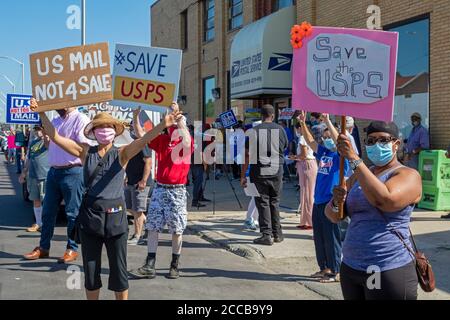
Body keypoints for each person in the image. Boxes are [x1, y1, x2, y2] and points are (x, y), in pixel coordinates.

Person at [31, 99, 181, 300]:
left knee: (119, 272)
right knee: (91, 273)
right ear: (93, 131)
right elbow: (56, 136)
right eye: (100, 126)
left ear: (115, 130)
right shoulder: (84, 152)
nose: (104, 129)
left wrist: (163, 125)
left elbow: (143, 141)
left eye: (108, 126)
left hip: (116, 221)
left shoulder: (122, 153)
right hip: (91, 219)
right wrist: (41, 113)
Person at [325, 121, 421, 300]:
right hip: (352, 266)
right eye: (371, 141)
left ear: (396, 144)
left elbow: (385, 200)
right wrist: (337, 202)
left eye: (383, 140)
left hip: (386, 267)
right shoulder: (360, 174)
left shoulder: (408, 175)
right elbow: (332, 216)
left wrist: (353, 158)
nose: (376, 145)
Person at [130, 102, 193, 280]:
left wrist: (179, 118)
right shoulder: (163, 140)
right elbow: (142, 136)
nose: (173, 126)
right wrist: (136, 116)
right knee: (153, 227)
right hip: (160, 189)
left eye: (177, 123)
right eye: (172, 124)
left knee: (177, 230)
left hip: (178, 191)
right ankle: (150, 264)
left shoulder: (186, 142)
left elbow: (187, 140)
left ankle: (174, 264)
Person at [23, 105, 91, 264]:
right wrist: (48, 142)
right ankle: (44, 248)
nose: (58, 105)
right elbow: (50, 147)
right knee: (48, 212)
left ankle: (72, 248)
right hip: (54, 171)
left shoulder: (80, 119)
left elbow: (84, 149)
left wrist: (56, 138)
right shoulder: (55, 120)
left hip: (73, 171)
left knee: (72, 213)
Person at [298, 111, 350, 283]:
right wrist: (302, 123)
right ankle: (324, 268)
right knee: (319, 238)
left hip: (331, 201)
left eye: (328, 135)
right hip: (318, 201)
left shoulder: (341, 156)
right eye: (325, 136)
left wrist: (328, 121)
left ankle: (335, 271)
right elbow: (311, 141)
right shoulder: (324, 153)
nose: (326, 139)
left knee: (332, 238)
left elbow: (339, 140)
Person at [241, 105, 288, 246]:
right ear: (273, 116)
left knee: (263, 203)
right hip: (276, 170)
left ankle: (266, 235)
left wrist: (243, 175)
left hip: (259, 171)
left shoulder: (254, 131)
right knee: (275, 202)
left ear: (261, 116)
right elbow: (284, 146)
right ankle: (277, 233)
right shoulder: (281, 130)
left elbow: (247, 154)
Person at [125, 109, 153, 245]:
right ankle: (149, 225)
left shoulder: (143, 143)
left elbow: (148, 162)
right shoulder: (133, 144)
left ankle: (137, 236)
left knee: (137, 210)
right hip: (130, 181)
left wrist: (143, 180)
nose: (131, 129)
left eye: (133, 126)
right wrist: (126, 177)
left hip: (140, 183)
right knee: (130, 208)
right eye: (130, 127)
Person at [19, 126, 50, 233]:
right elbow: (29, 158)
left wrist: (47, 134)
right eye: (37, 130)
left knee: (45, 201)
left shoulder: (49, 141)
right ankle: (38, 223)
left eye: (41, 129)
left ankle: (46, 224)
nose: (38, 131)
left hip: (45, 175)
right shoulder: (33, 142)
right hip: (33, 176)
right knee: (35, 200)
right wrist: (23, 173)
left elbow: (48, 144)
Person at [290, 122, 317, 230]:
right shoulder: (308, 136)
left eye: (297, 129)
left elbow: (304, 155)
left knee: (307, 194)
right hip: (308, 165)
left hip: (306, 165)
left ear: (300, 128)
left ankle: (309, 221)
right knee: (307, 193)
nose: (296, 131)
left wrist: (293, 157)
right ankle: (306, 220)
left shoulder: (302, 137)